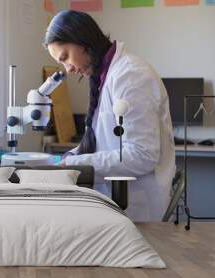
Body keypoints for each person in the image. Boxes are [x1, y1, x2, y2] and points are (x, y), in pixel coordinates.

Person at [45, 10, 175, 221]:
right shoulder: (108, 75)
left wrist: (75, 165)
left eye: (65, 57)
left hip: (137, 205)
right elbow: (104, 141)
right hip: (117, 200)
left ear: (82, 40)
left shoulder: (131, 75)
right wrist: (69, 158)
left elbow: (142, 155)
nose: (67, 68)